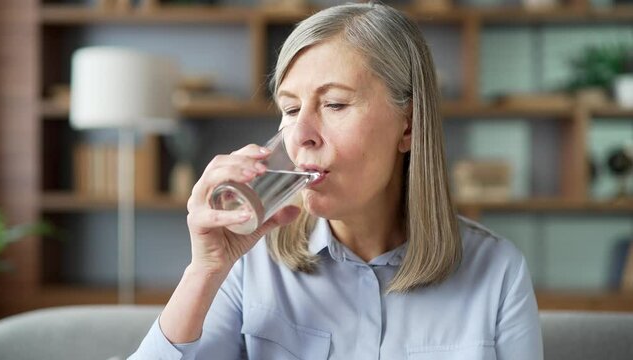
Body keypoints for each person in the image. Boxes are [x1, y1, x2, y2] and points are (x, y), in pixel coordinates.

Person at [130, 2, 543, 359]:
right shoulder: (247, 265)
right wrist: (204, 272)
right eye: (290, 110)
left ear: (409, 126)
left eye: (334, 103)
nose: (301, 134)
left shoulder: (498, 274)